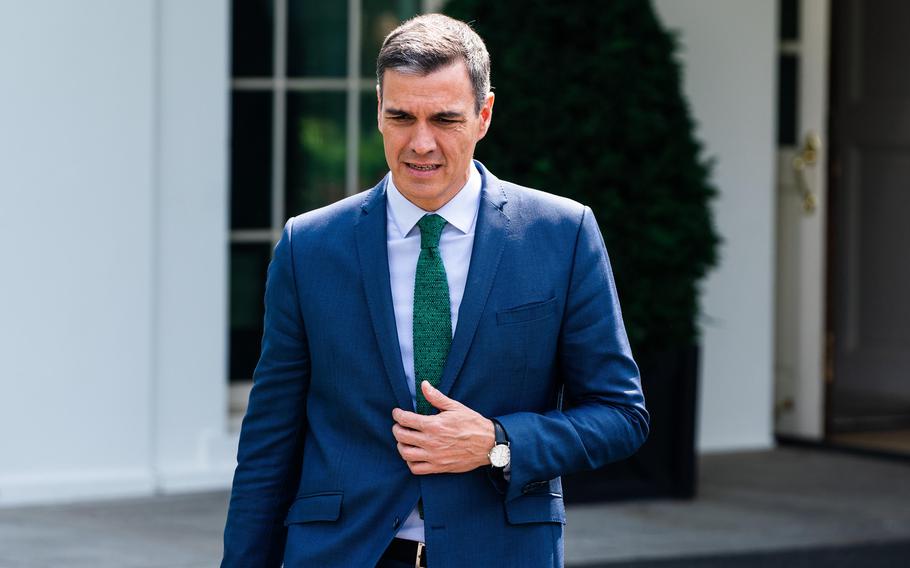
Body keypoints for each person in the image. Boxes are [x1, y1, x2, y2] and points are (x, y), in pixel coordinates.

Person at [222, 13, 648, 568]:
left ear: (484, 115)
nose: (420, 143)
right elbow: (268, 442)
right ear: (378, 110)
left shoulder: (561, 235)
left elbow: (621, 415)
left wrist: (498, 442)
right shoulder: (310, 246)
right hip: (341, 553)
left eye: (445, 119)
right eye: (401, 116)